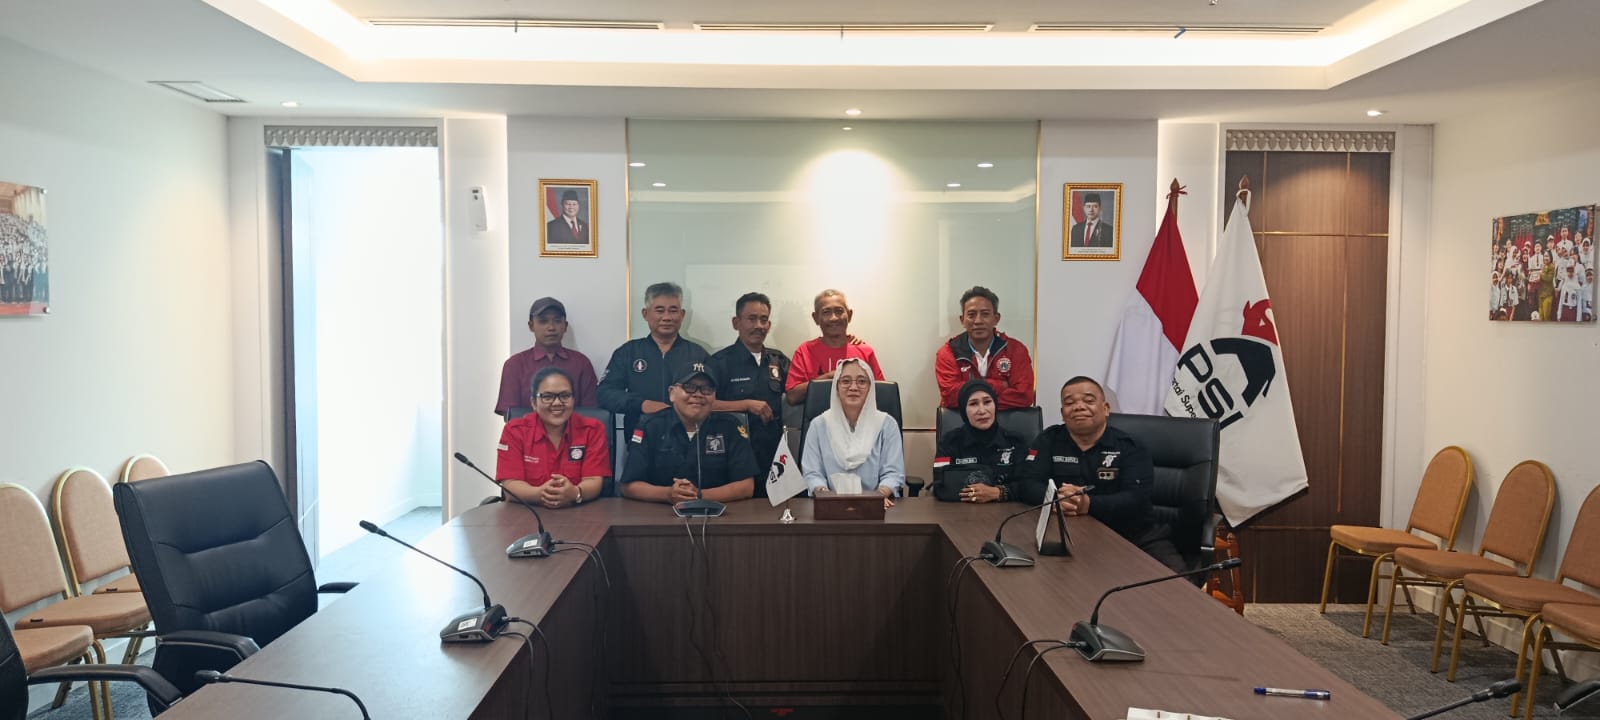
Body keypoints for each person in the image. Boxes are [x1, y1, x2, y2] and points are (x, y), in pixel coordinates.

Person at [1015, 376, 1185, 572]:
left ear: (1105, 408)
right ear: (1062, 413)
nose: (1079, 407)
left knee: (1177, 583)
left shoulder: (1130, 447)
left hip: (1133, 535)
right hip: (1069, 534)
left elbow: (1136, 498)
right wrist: (1056, 499)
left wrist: (1088, 503)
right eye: (1069, 403)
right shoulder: (1048, 440)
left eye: (1088, 400)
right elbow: (1027, 483)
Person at [620, 365, 757, 504]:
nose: (698, 394)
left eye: (707, 389)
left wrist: (698, 495)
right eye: (689, 387)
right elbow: (628, 486)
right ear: (672, 393)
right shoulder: (650, 426)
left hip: (717, 512)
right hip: (661, 512)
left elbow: (746, 487)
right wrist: (667, 494)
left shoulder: (730, 426)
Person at [599, 282, 710, 436]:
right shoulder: (628, 352)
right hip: (640, 436)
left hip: (688, 436)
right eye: (659, 310)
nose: (667, 317)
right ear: (645, 314)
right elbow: (605, 393)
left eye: (673, 311)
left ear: (682, 314)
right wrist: (641, 404)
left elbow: (712, 396)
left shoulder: (697, 354)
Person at [708, 292, 791, 498]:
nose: (759, 325)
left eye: (764, 320)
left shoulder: (778, 360)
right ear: (736, 323)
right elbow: (705, 404)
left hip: (773, 456)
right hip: (734, 455)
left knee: (774, 510)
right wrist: (745, 404)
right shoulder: (719, 362)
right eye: (752, 319)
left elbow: (797, 393)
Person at [494, 367, 610, 508]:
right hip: (528, 512)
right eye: (547, 397)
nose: (557, 403)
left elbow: (593, 480)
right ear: (534, 403)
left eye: (565, 396)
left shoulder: (592, 430)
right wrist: (541, 494)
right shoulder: (515, 431)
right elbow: (510, 484)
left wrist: (575, 493)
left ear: (573, 400)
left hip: (579, 512)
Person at [802, 359, 904, 508]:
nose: (854, 387)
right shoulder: (818, 425)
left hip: (875, 506)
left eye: (862, 381)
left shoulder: (887, 425)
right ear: (836, 387)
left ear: (870, 388)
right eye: (846, 381)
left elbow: (893, 473)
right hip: (829, 506)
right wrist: (826, 496)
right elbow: (812, 473)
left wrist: (877, 497)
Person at [934, 286, 1035, 410]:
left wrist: (971, 395)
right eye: (971, 315)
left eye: (985, 314)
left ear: (996, 318)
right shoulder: (948, 352)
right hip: (962, 421)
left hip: (1005, 421)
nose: (978, 321)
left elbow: (1024, 396)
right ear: (962, 320)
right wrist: (1000, 385)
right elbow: (950, 396)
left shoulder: (1015, 350)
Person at [495, 297, 599, 416]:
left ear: (565, 326)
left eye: (557, 321)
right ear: (531, 326)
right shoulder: (515, 365)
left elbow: (591, 413)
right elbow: (510, 415)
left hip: (574, 428)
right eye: (543, 321)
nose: (551, 328)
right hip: (528, 428)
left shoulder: (581, 363)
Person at [931, 380, 1027, 504]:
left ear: (995, 405)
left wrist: (997, 492)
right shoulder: (949, 441)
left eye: (987, 402)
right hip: (960, 510)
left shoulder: (1015, 441)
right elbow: (939, 486)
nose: (982, 410)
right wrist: (975, 494)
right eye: (973, 404)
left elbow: (1028, 485)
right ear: (964, 411)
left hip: (1007, 510)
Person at [785, 289, 885, 405]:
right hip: (818, 416)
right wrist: (829, 377)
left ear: (849, 315)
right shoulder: (805, 351)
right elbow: (792, 397)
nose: (834, 318)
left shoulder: (865, 352)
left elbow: (883, 396)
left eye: (839, 311)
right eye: (826, 312)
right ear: (815, 318)